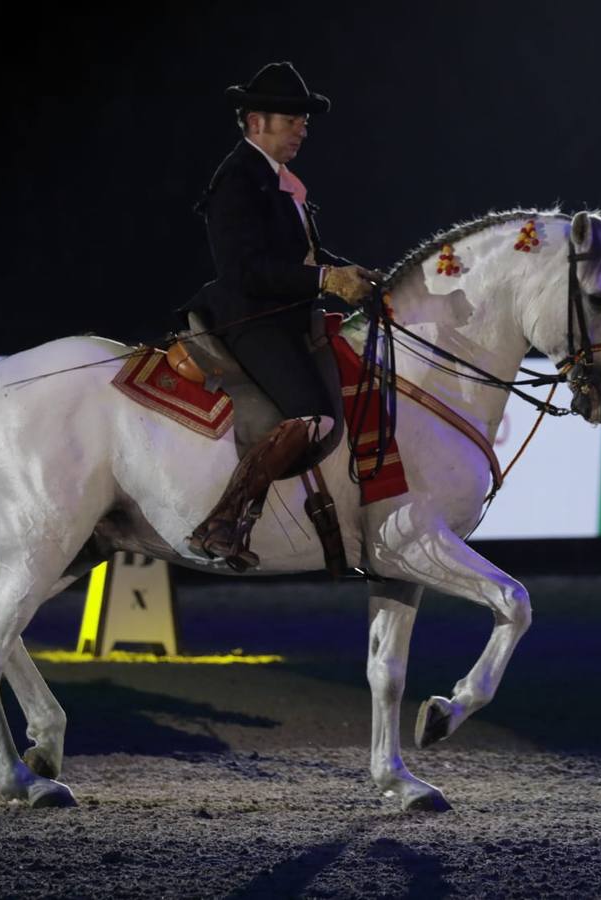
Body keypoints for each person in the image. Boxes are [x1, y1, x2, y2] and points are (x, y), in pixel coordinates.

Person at [184, 61, 379, 569]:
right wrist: (323, 281)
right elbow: (246, 271)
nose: (303, 127)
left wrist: (346, 272)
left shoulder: (282, 182)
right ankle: (226, 519)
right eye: (291, 118)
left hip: (288, 316)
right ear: (255, 123)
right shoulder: (237, 180)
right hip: (249, 319)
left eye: (303, 119)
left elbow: (305, 259)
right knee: (312, 414)